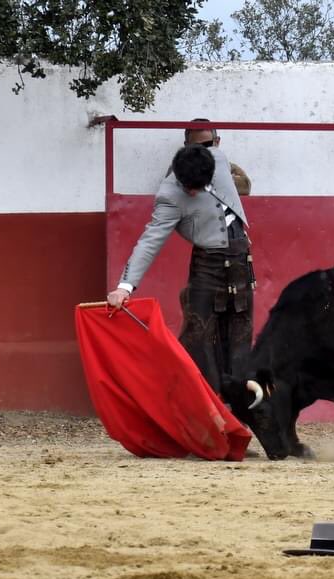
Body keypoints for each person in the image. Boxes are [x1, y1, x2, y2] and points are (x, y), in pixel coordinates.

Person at [107, 142, 256, 397]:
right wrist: (124, 286)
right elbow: (150, 240)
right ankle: (203, 403)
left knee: (240, 334)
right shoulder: (170, 195)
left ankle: (238, 403)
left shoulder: (218, 159)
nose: (195, 193)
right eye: (190, 188)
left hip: (241, 262)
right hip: (207, 267)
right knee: (199, 336)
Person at [167, 118, 252, 195]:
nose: (202, 151)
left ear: (217, 142)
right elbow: (171, 189)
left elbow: (245, 186)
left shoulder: (229, 166)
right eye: (196, 146)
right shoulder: (177, 167)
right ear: (187, 146)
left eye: (207, 145)